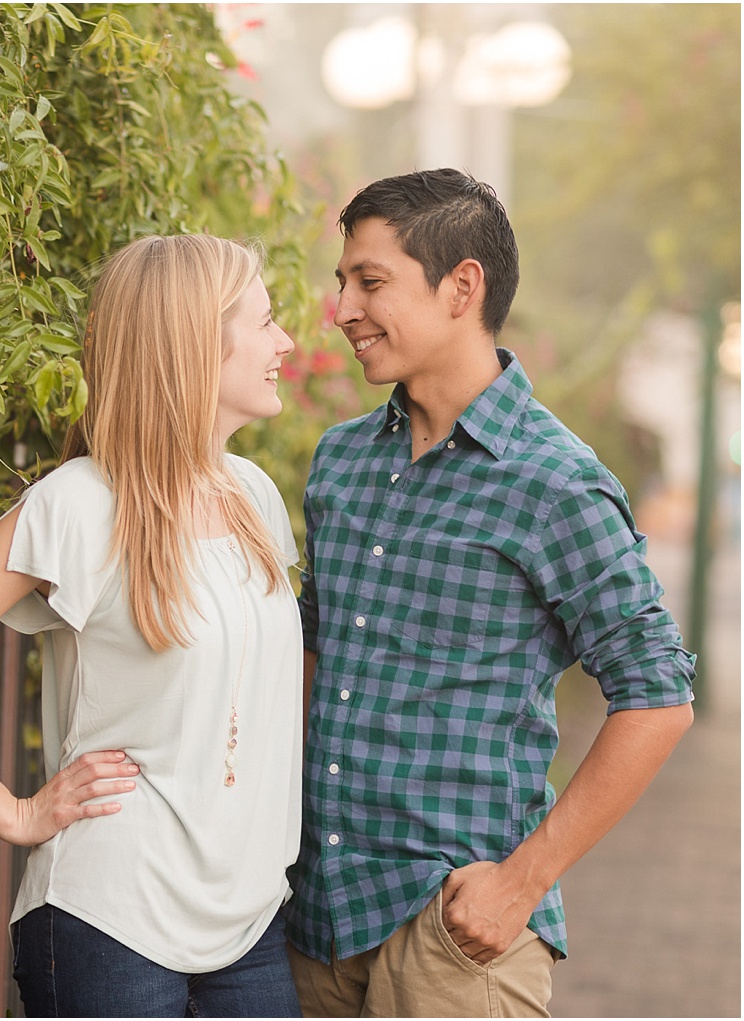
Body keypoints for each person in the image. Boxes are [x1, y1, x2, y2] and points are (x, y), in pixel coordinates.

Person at [286, 168, 696, 1018]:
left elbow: (658, 697)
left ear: (460, 287)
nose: (342, 311)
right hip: (311, 920)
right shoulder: (340, 461)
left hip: (452, 935)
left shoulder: (555, 483)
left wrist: (520, 882)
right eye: (342, 284)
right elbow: (313, 656)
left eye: (371, 282)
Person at [0, 234, 304, 1017]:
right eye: (267, 320)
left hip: (249, 925)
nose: (287, 342)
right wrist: (16, 813)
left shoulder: (255, 497)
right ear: (196, 342)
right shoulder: (78, 503)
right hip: (112, 919)